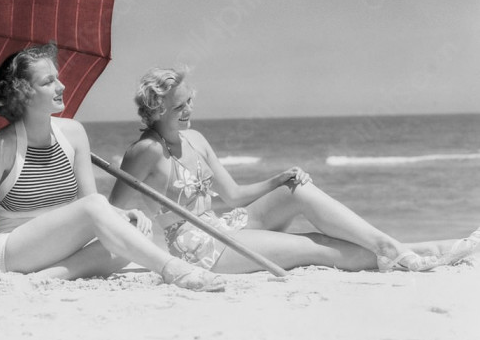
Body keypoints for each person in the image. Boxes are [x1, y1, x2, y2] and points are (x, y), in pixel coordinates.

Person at [0, 45, 226, 297]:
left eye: (57, 77)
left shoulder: (73, 133)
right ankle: (173, 269)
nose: (61, 85)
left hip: (55, 248)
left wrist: (124, 216)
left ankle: (39, 280)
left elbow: (92, 204)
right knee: (105, 218)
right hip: (11, 249)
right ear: (24, 93)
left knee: (132, 234)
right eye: (48, 81)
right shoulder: (1, 147)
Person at [109, 67, 479, 275]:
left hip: (222, 226)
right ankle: (425, 249)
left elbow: (233, 195)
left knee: (296, 191)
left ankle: (391, 246)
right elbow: (113, 213)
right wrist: (135, 217)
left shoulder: (197, 139)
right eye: (180, 107)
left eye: (190, 102)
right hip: (200, 250)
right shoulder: (144, 152)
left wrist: (278, 179)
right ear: (156, 111)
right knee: (312, 246)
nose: (189, 111)